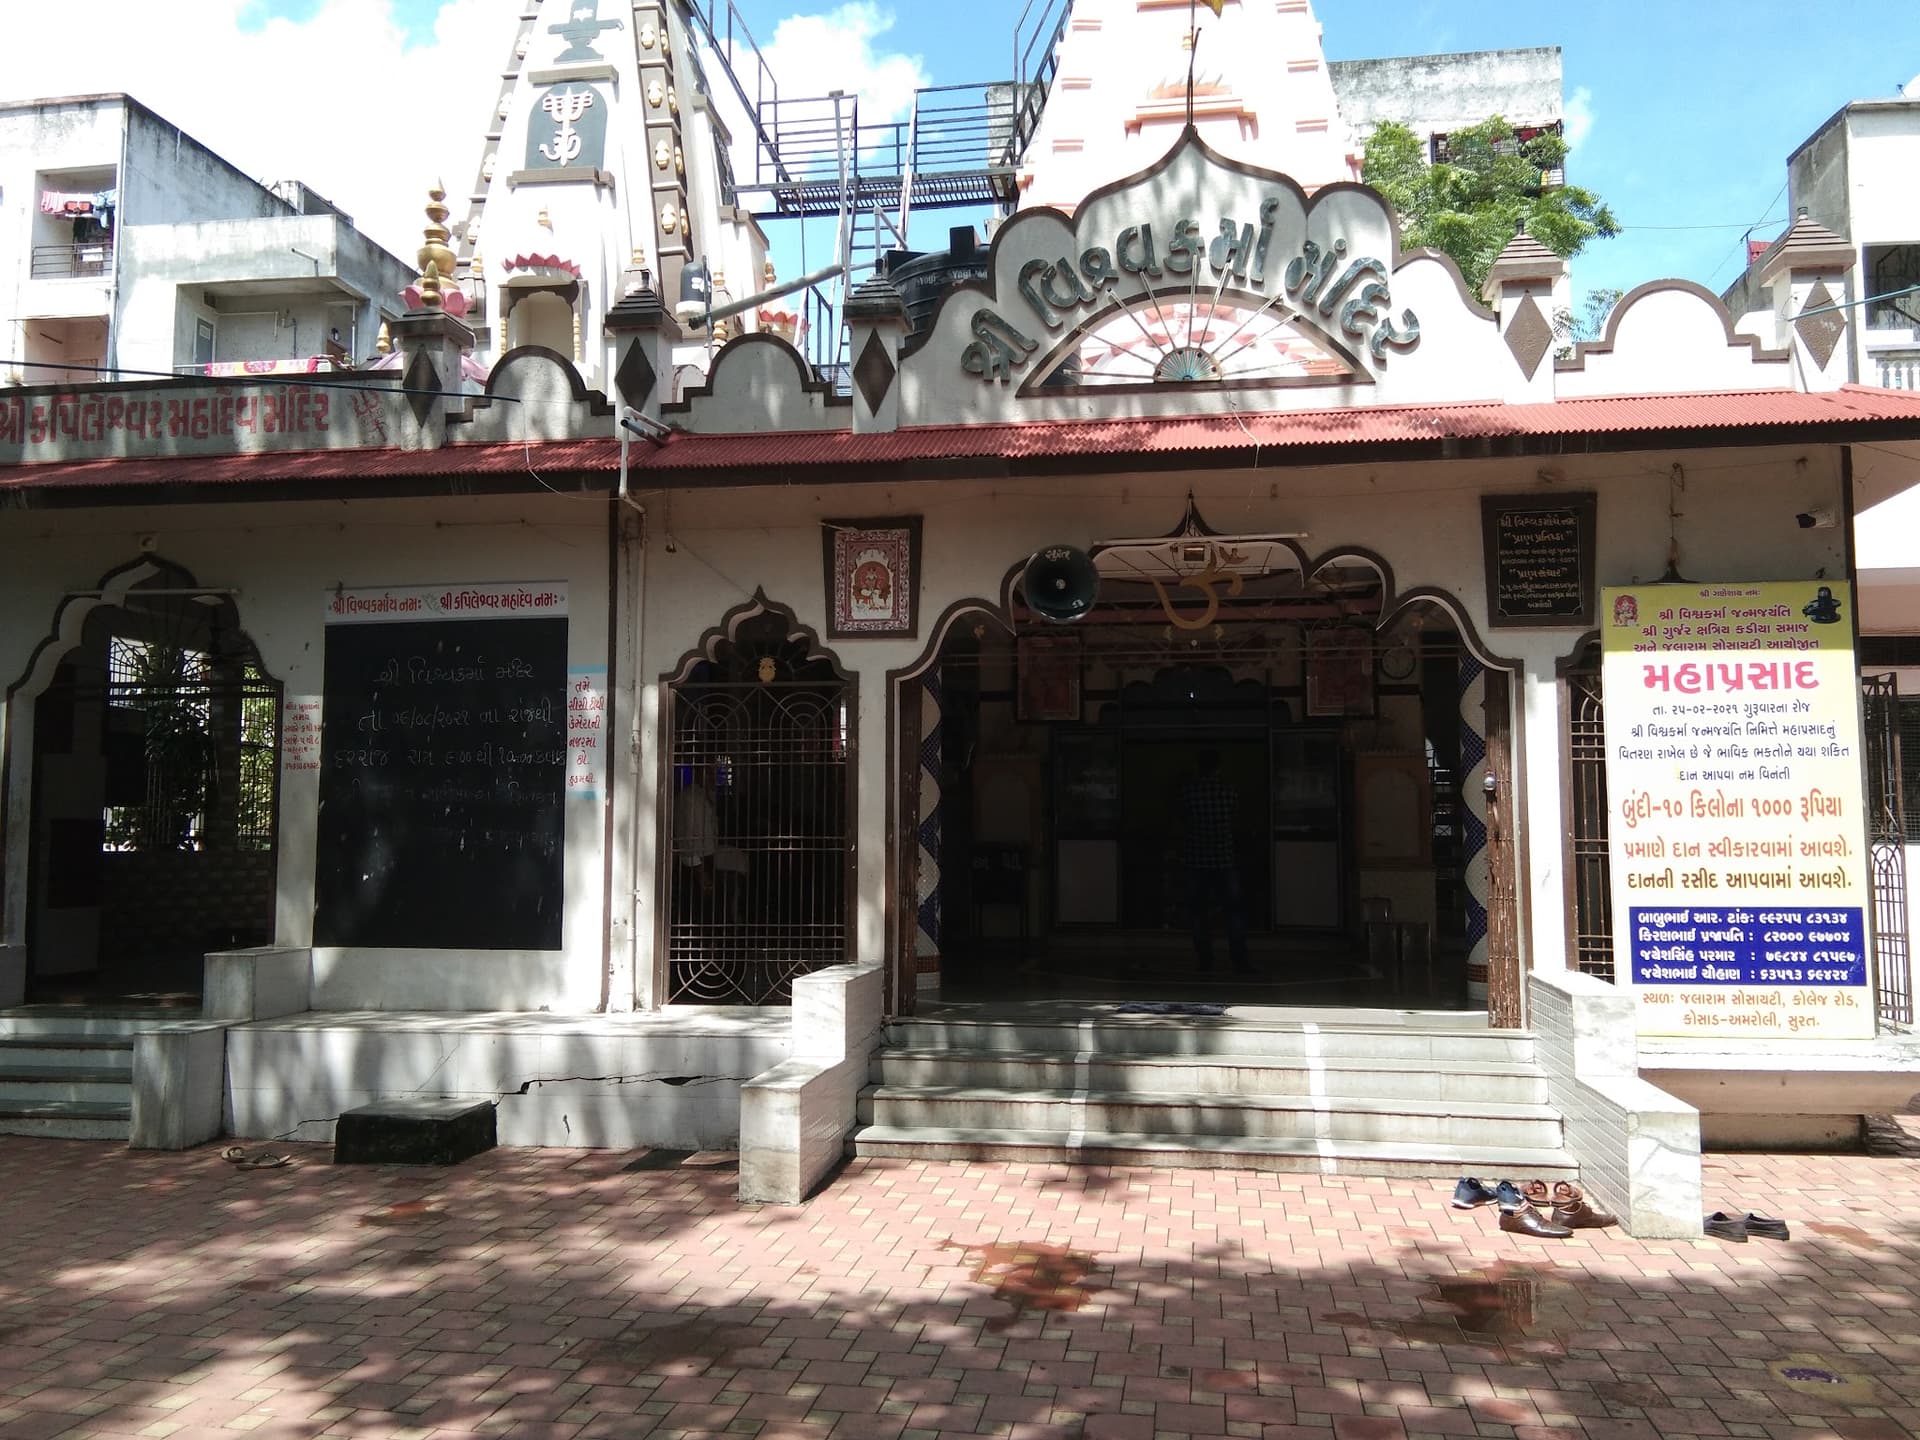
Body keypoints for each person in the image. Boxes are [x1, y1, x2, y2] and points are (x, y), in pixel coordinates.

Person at [1180, 748, 1249, 974]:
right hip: (1224, 860)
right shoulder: (1229, 792)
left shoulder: (1190, 792)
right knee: (1233, 911)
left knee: (1198, 912)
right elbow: (1237, 822)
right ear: (1219, 767)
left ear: (1199, 767)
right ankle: (1239, 960)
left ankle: (1205, 960)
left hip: (1196, 860)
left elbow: (1183, 822)